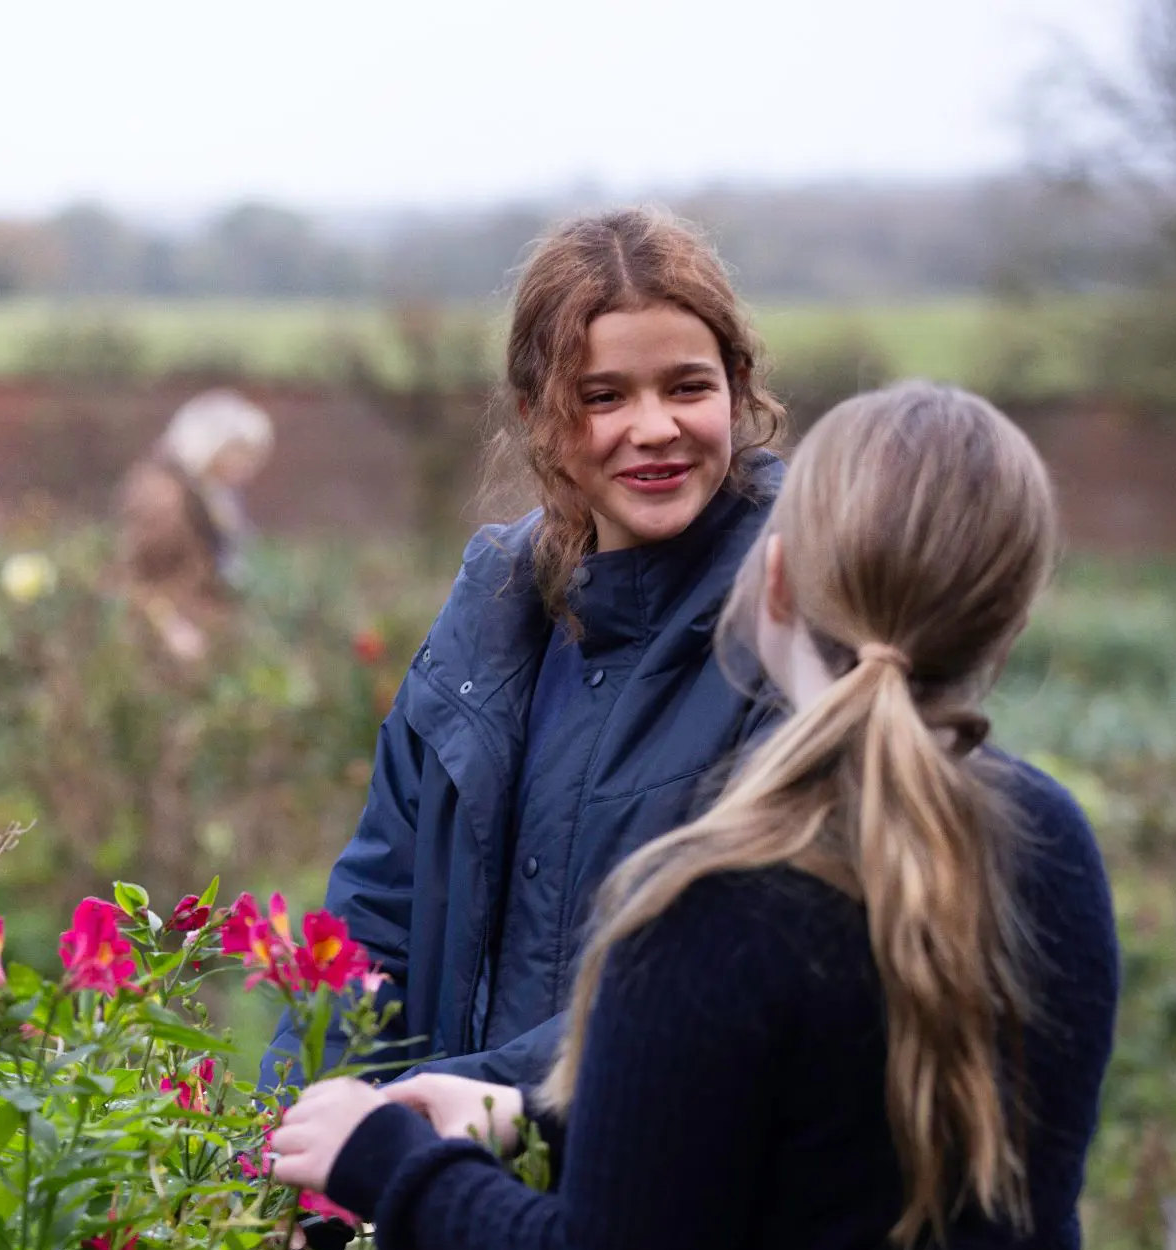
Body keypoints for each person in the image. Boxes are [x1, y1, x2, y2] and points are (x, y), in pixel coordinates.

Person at [269, 381, 1146, 1250]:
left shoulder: (709, 900)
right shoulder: (1046, 845)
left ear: (776, 577)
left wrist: (388, 1160)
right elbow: (828, 1127)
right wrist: (530, 1116)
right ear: (1013, 603)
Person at [263, 208, 785, 1103]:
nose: (653, 427)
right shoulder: (487, 621)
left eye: (687, 387)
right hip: (453, 1197)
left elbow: (750, 965)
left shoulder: (798, 617)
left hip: (662, 1195)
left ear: (737, 388)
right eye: (603, 396)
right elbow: (374, 919)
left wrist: (467, 1105)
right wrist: (305, 1139)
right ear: (535, 413)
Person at [115, 388, 274, 663]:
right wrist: (170, 629)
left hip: (203, 631)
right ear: (211, 446)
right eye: (241, 454)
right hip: (172, 644)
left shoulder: (212, 493)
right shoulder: (162, 498)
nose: (248, 468)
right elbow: (140, 577)